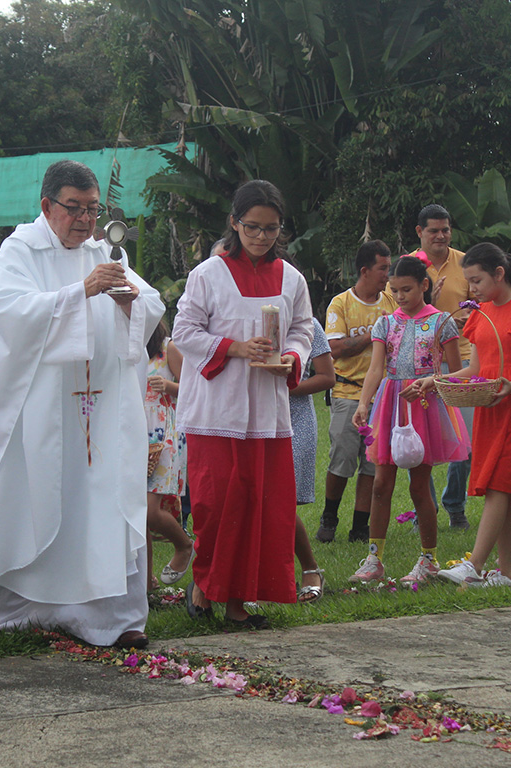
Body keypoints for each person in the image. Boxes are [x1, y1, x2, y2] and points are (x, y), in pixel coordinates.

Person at [0, 160, 163, 649]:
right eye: (73, 208)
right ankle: (28, 610)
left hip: (99, 414)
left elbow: (151, 304)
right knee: (38, 500)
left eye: (92, 209)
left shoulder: (103, 250)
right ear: (46, 206)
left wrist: (127, 303)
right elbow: (10, 317)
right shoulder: (19, 250)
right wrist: (81, 290)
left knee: (101, 506)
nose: (84, 220)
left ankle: (112, 619)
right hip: (39, 413)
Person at [175, 179, 313, 628]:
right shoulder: (207, 275)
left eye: (271, 229)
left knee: (258, 506)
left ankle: (237, 604)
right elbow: (184, 333)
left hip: (267, 414)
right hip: (216, 411)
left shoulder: (291, 278)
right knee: (217, 505)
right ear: (234, 223)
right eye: (252, 227)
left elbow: (303, 330)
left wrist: (291, 357)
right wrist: (236, 348)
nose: (260, 237)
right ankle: (204, 587)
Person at [435, 244, 511, 587]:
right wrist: (436, 380)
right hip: (492, 404)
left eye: (477, 280)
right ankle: (506, 573)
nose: (471, 289)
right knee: (498, 484)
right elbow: (476, 368)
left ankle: (474, 563)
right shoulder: (481, 313)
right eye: (469, 282)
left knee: (498, 484)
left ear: (499, 274)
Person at [349, 256, 469, 585]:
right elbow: (376, 368)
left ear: (424, 286)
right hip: (390, 404)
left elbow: (456, 372)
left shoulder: (443, 322)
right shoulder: (385, 324)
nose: (400, 296)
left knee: (420, 487)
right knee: (380, 484)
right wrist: (364, 403)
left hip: (425, 405)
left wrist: (432, 384)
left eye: (407, 289)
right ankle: (374, 558)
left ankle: (428, 559)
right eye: (395, 290)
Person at [319, 240, 396, 543]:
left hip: (383, 396)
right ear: (365, 271)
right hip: (348, 394)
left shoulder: (392, 300)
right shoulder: (341, 303)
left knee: (371, 464)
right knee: (342, 459)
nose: (387, 275)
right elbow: (334, 348)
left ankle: (360, 525)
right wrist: (374, 333)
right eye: (382, 268)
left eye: (389, 268)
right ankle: (329, 514)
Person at [409, 205, 474, 530]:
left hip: (459, 359)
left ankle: (455, 504)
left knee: (465, 439)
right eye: (433, 230)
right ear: (419, 232)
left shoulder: (466, 263)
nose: (441, 236)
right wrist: (429, 304)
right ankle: (427, 508)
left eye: (445, 229)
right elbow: (398, 316)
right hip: (418, 364)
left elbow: (482, 304)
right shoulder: (408, 267)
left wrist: (468, 317)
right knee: (417, 442)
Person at [143, 321, 192, 588]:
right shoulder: (129, 349)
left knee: (150, 512)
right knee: (137, 514)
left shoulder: (167, 347)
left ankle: (184, 545)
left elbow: (194, 389)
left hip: (163, 436)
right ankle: (147, 580)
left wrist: (168, 386)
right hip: (133, 434)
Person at [289, 317, 334, 601]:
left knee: (279, 500)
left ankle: (310, 568)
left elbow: (327, 376)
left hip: (295, 419)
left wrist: (286, 388)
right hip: (249, 418)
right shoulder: (241, 318)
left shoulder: (307, 325)